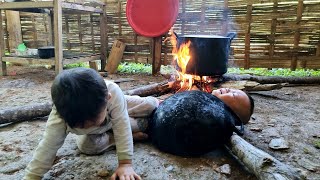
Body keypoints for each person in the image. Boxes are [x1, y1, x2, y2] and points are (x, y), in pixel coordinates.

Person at [24, 67, 159, 180]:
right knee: (87, 147)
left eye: (93, 122)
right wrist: (32, 176)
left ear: (107, 99)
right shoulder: (60, 116)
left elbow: (121, 125)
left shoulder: (112, 93)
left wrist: (125, 163)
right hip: (103, 130)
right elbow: (47, 147)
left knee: (150, 105)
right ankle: (116, 137)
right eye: (81, 126)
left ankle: (146, 112)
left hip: (118, 110)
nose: (89, 127)